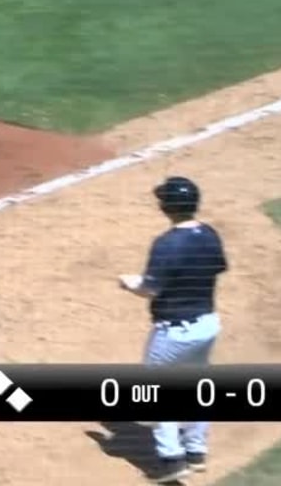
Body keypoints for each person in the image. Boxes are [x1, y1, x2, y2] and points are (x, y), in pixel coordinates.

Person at [119, 176, 227, 484]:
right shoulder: (209, 234)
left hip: (175, 332)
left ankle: (172, 460)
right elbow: (214, 269)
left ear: (167, 207)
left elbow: (149, 289)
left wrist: (130, 283)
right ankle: (196, 452)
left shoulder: (166, 244)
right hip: (207, 325)